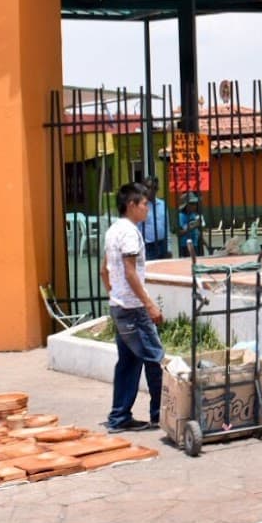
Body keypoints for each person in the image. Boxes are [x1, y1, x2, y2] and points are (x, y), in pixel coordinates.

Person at [101, 181, 164, 432]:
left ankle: (119, 417)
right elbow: (129, 271)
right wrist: (149, 304)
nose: (147, 208)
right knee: (153, 356)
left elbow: (104, 270)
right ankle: (161, 414)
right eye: (144, 204)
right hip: (133, 308)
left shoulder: (112, 230)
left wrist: (113, 294)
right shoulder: (128, 232)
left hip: (120, 305)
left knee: (128, 362)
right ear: (131, 205)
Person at [138, 176, 169, 260]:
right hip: (148, 247)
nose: (151, 190)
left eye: (154, 188)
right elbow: (136, 228)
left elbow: (167, 226)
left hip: (162, 245)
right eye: (149, 187)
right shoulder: (140, 206)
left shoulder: (162, 204)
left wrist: (168, 247)